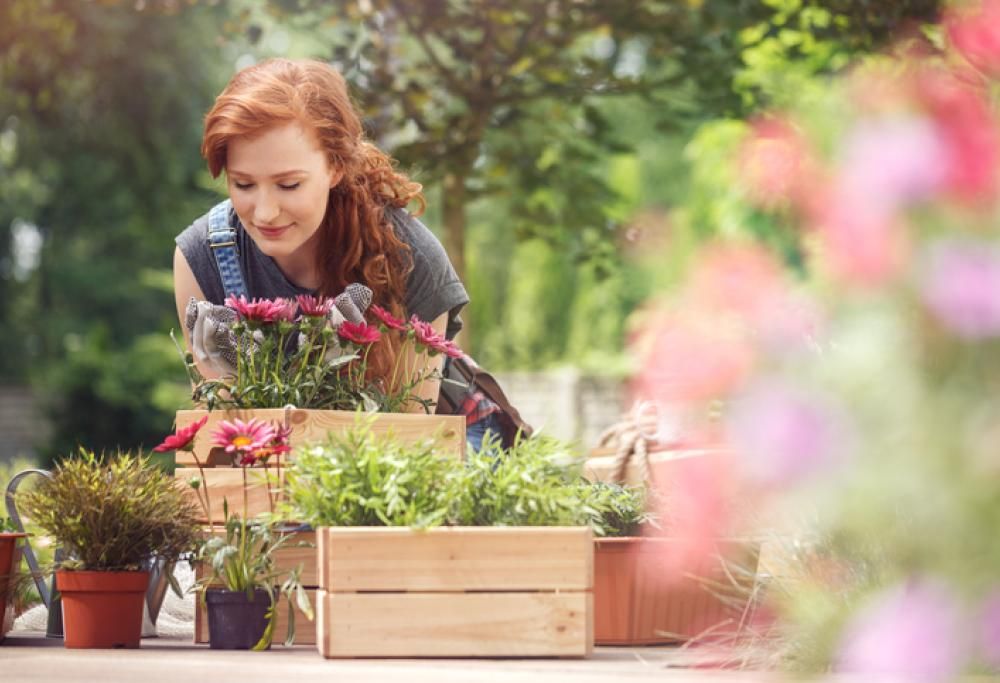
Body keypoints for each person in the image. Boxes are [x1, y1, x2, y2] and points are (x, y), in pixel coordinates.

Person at [173, 57, 502, 448]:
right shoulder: (202, 258)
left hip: (443, 448)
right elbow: (235, 434)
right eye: (243, 184)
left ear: (335, 167)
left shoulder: (411, 256)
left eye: (289, 185)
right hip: (291, 464)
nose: (264, 212)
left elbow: (412, 446)